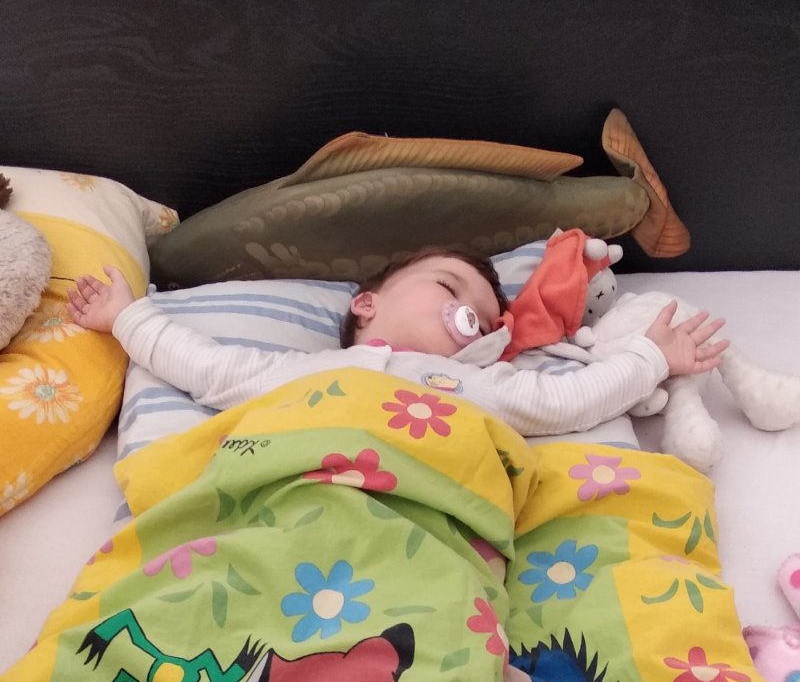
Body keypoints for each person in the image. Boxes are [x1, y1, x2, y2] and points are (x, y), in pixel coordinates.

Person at [66, 248, 727, 438]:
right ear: (366, 304)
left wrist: (650, 357)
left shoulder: (480, 385)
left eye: (484, 322)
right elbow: (208, 368)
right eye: (448, 288)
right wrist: (127, 317)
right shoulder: (312, 371)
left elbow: (570, 401)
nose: (467, 315)